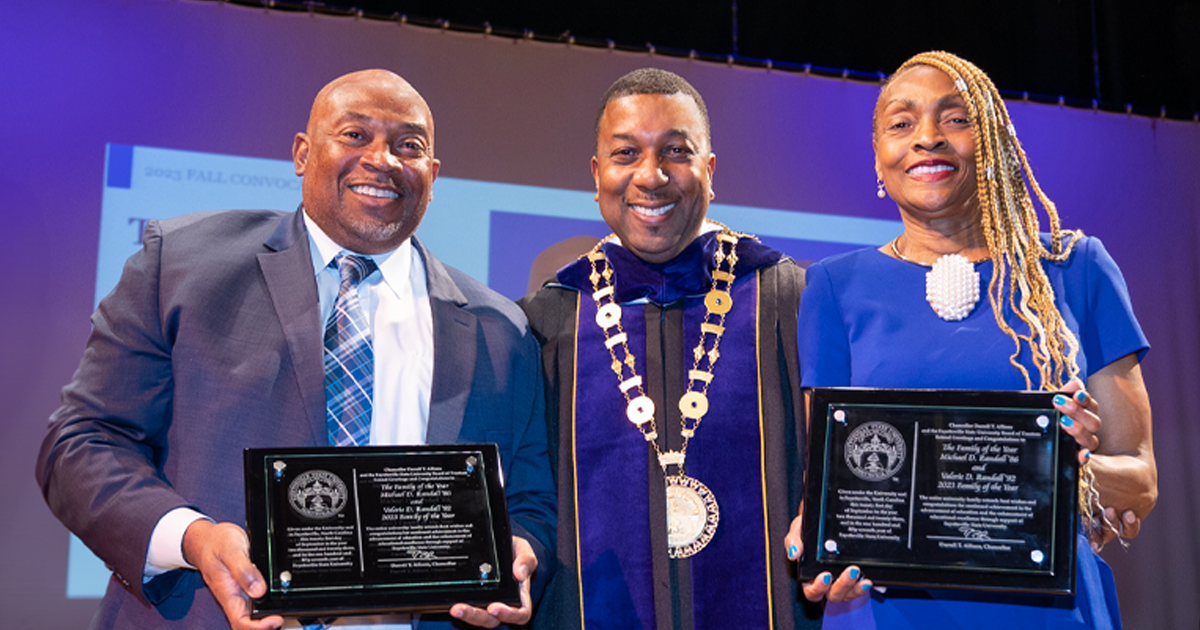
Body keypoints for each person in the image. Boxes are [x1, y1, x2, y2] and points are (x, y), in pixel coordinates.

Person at [36, 69, 555, 630]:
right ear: (303, 154)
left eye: (408, 145)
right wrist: (192, 537)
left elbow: (531, 503)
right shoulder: (183, 267)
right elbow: (82, 442)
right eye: (355, 135)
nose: (381, 159)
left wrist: (521, 553)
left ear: (432, 174)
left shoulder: (499, 327)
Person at [786, 51, 1157, 628]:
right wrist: (815, 534)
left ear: (994, 144)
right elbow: (832, 479)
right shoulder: (834, 286)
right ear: (879, 158)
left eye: (956, 118)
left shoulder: (1076, 266)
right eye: (901, 124)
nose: (927, 138)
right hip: (888, 613)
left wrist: (1065, 472)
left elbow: (1140, 478)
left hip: (1051, 611)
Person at [519, 67, 820, 630]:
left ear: (709, 170)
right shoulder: (548, 319)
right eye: (626, 153)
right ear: (597, 173)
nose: (650, 176)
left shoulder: (787, 300)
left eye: (676, 152)